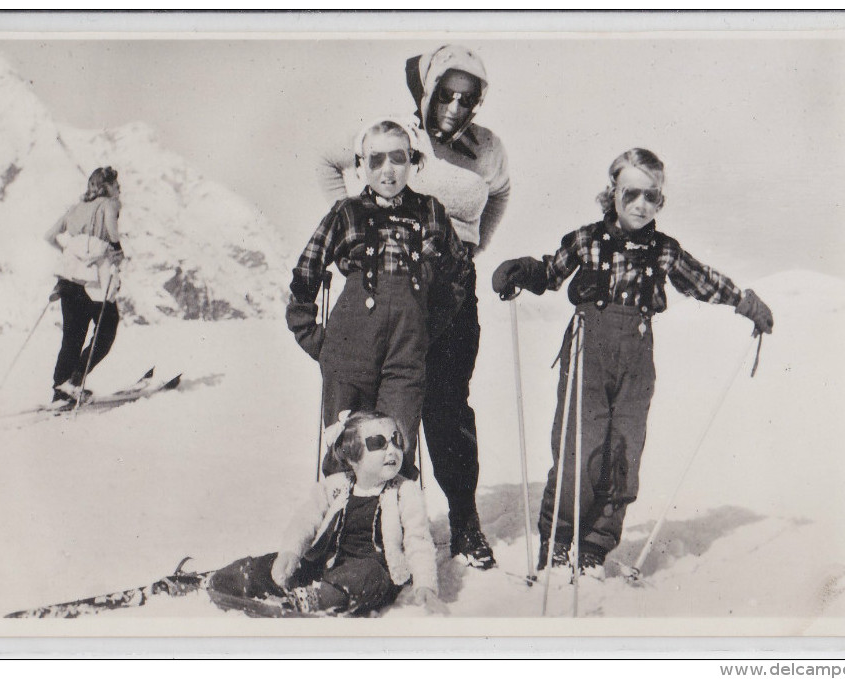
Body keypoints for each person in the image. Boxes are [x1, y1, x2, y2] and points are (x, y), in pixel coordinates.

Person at [491, 148, 774, 579]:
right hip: (589, 348)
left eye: (653, 196)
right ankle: (559, 543)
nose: (641, 205)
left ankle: (594, 547)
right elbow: (551, 272)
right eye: (631, 194)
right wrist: (523, 271)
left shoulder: (664, 251)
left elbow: (702, 280)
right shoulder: (586, 239)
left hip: (637, 355)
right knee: (578, 447)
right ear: (613, 193)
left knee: (624, 450)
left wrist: (744, 301)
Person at [317, 44, 510, 570]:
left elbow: (501, 193)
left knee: (447, 410)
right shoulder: (396, 135)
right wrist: (354, 236)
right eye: (445, 93)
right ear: (427, 90)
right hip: (392, 291)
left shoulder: (487, 147)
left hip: (452, 290)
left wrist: (472, 246)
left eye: (467, 99)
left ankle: (465, 525)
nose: (454, 106)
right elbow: (331, 162)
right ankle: (363, 531)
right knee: (380, 415)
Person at [289, 118, 470, 481]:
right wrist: (314, 338)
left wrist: (428, 328)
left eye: (398, 158)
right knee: (347, 445)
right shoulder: (346, 212)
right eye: (376, 160)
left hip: (406, 358)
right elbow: (305, 274)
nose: (387, 170)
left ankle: (393, 531)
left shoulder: (430, 211)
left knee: (395, 447)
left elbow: (458, 276)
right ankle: (341, 528)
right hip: (348, 353)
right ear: (361, 166)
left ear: (413, 161)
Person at [208, 410, 447, 616]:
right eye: (378, 443)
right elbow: (305, 520)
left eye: (396, 441)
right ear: (353, 456)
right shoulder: (335, 486)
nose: (392, 450)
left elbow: (418, 540)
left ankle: (317, 599)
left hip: (375, 572)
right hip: (326, 564)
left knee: (365, 575)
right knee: (278, 564)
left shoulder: (405, 492)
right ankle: (231, 578)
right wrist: (290, 552)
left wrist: (425, 584)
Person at [43, 166, 125, 405]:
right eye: (116, 184)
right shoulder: (110, 204)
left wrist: (67, 251)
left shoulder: (75, 208)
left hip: (68, 277)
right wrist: (117, 247)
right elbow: (110, 225)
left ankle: (61, 390)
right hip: (94, 279)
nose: (119, 188)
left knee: (72, 336)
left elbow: (49, 235)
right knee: (106, 329)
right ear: (106, 186)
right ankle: (76, 379)